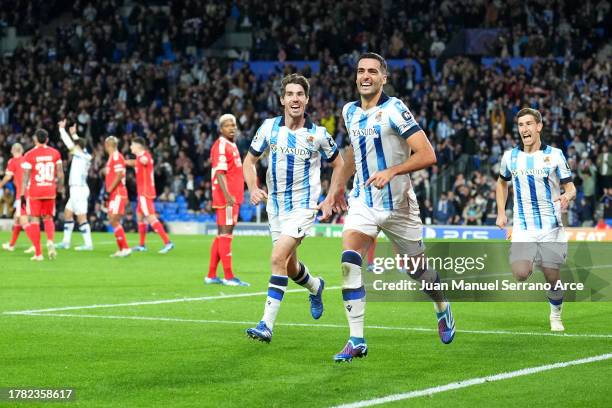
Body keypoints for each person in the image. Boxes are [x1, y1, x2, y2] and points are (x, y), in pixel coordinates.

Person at [329, 53, 455, 362]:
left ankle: (442, 306)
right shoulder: (349, 112)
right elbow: (352, 152)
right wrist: (336, 189)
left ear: (384, 77)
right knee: (349, 263)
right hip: (363, 201)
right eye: (361, 71)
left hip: (399, 204)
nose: (365, 75)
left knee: (417, 270)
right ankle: (356, 339)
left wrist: (393, 170)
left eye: (372, 71)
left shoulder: (395, 109)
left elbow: (427, 153)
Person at [243, 73, 344, 343]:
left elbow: (340, 164)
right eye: (290, 94)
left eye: (300, 94)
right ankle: (315, 285)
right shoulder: (268, 129)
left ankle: (266, 324)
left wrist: (331, 196)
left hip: (302, 207)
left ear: (307, 100)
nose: (295, 99)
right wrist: (253, 188)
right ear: (282, 99)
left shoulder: (318, 135)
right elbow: (249, 162)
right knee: (288, 266)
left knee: (276, 258)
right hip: (274, 208)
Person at [496, 107, 576, 332]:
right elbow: (501, 183)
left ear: (539, 127)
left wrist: (566, 196)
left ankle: (556, 314)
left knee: (552, 277)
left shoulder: (555, 155)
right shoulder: (510, 156)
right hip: (523, 226)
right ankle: (530, 257)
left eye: (529, 124)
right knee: (520, 274)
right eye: (521, 125)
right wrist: (501, 212)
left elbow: (570, 188)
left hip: (550, 226)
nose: (524, 129)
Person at [206, 113, 250, 286]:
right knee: (226, 234)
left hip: (232, 197)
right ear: (221, 128)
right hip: (228, 198)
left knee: (221, 235)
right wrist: (227, 195)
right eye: (228, 125)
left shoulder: (231, 145)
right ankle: (229, 276)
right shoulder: (221, 146)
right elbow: (219, 172)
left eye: (234, 125)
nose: (232, 128)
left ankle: (211, 275)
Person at [21, 129, 64, 261]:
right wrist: (60, 189)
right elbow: (60, 174)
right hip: (50, 190)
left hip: (35, 192)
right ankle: (50, 240)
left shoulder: (29, 155)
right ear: (47, 140)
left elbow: (26, 176)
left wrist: (23, 193)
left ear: (35, 139)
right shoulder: (55, 153)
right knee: (48, 218)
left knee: (34, 220)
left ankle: (38, 254)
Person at [126, 137, 174, 254]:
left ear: (138, 146)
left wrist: (124, 161)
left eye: (132, 145)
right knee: (139, 217)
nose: (131, 147)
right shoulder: (139, 157)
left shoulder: (145, 155)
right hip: (142, 192)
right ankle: (142, 245)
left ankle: (168, 243)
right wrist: (123, 161)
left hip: (145, 192)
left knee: (151, 217)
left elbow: (145, 161)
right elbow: (135, 162)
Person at [55, 119, 94, 250]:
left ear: (78, 147)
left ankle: (88, 244)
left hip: (79, 190)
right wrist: (74, 134)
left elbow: (69, 144)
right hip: (76, 189)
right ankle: (66, 242)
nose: (73, 147)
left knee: (81, 216)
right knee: (67, 212)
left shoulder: (80, 155)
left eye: (76, 145)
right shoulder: (85, 154)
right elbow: (79, 144)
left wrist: (62, 129)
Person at [104, 136, 131, 257]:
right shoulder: (112, 157)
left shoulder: (116, 156)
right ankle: (121, 249)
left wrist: (108, 190)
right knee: (112, 219)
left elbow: (119, 175)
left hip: (118, 192)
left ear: (108, 145)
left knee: (114, 219)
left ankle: (125, 248)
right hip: (114, 193)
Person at [0, 143, 26, 251]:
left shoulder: (12, 161)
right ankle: (11, 244)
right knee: (17, 218)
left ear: (12, 150)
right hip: (29, 193)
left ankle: (36, 247)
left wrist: (0, 184)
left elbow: (8, 176)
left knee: (25, 220)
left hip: (21, 194)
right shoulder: (27, 159)